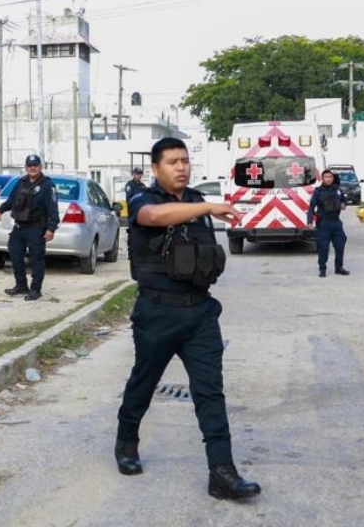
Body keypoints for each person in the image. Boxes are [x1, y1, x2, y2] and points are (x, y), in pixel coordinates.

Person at [115, 137, 261, 501]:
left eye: (185, 160)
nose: (181, 167)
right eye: (172, 162)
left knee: (210, 391)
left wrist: (204, 207)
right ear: (155, 168)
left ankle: (222, 472)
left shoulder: (196, 200)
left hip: (199, 312)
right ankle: (127, 440)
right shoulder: (143, 199)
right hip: (157, 313)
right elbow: (151, 219)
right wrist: (208, 207)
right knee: (144, 382)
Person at [0, 154, 59, 301]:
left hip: (36, 228)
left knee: (37, 259)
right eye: (30, 166)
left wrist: (51, 229)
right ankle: (21, 286)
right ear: (25, 167)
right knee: (15, 256)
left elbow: (53, 210)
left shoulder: (47, 185)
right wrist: (0, 210)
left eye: (35, 165)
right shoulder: (21, 182)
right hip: (19, 227)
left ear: (40, 167)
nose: (32, 168)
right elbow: (11, 200)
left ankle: (36, 289)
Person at [307, 169, 349, 277]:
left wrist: (344, 204)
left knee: (340, 245)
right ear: (322, 178)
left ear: (333, 178)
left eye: (330, 177)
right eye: (326, 177)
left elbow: (344, 201)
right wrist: (309, 222)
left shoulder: (338, 190)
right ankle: (322, 269)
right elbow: (311, 207)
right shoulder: (318, 191)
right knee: (323, 248)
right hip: (323, 223)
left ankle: (339, 268)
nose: (329, 179)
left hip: (336, 222)